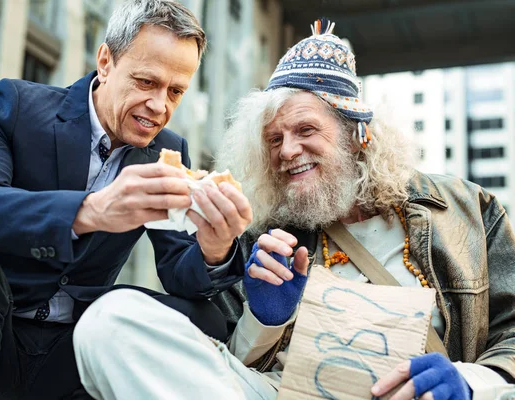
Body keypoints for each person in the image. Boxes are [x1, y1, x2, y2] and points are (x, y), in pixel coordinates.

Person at [72, 18, 515, 400]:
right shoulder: (263, 232)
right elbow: (226, 365)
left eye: (305, 130)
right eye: (274, 139)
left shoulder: (466, 208)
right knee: (108, 321)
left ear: (356, 134)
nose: (288, 151)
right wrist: (264, 318)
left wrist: (471, 382)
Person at [0, 1, 252, 399]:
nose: (161, 107)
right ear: (106, 61)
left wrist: (214, 250)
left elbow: (179, 270)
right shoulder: (16, 104)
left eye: (175, 91)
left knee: (205, 319)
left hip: (76, 354)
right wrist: (89, 212)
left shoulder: (168, 149)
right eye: (146, 82)